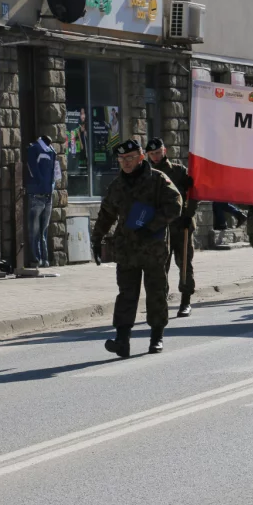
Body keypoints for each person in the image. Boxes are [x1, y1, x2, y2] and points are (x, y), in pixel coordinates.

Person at [91, 140, 182, 358]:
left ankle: (156, 336)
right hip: (126, 250)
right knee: (126, 295)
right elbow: (106, 214)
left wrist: (152, 226)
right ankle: (122, 340)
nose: (126, 163)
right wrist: (96, 239)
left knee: (156, 292)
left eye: (130, 158)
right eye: (122, 159)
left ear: (141, 157)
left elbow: (176, 205)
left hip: (154, 249)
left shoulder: (158, 180)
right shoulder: (117, 185)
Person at [146, 138, 198, 318]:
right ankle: (162, 303)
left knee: (184, 263)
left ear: (164, 151)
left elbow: (194, 195)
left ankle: (185, 301)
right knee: (160, 267)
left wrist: (189, 215)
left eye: (158, 152)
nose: (155, 156)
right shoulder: (147, 174)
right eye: (151, 154)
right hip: (159, 227)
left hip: (181, 225)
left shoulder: (179, 171)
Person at [24, 135, 58, 268]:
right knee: (35, 230)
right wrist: (41, 183)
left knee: (42, 230)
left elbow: (54, 173)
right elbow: (32, 168)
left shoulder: (51, 150)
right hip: (37, 194)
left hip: (47, 195)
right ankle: (36, 260)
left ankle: (43, 259)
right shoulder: (35, 149)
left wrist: (50, 186)